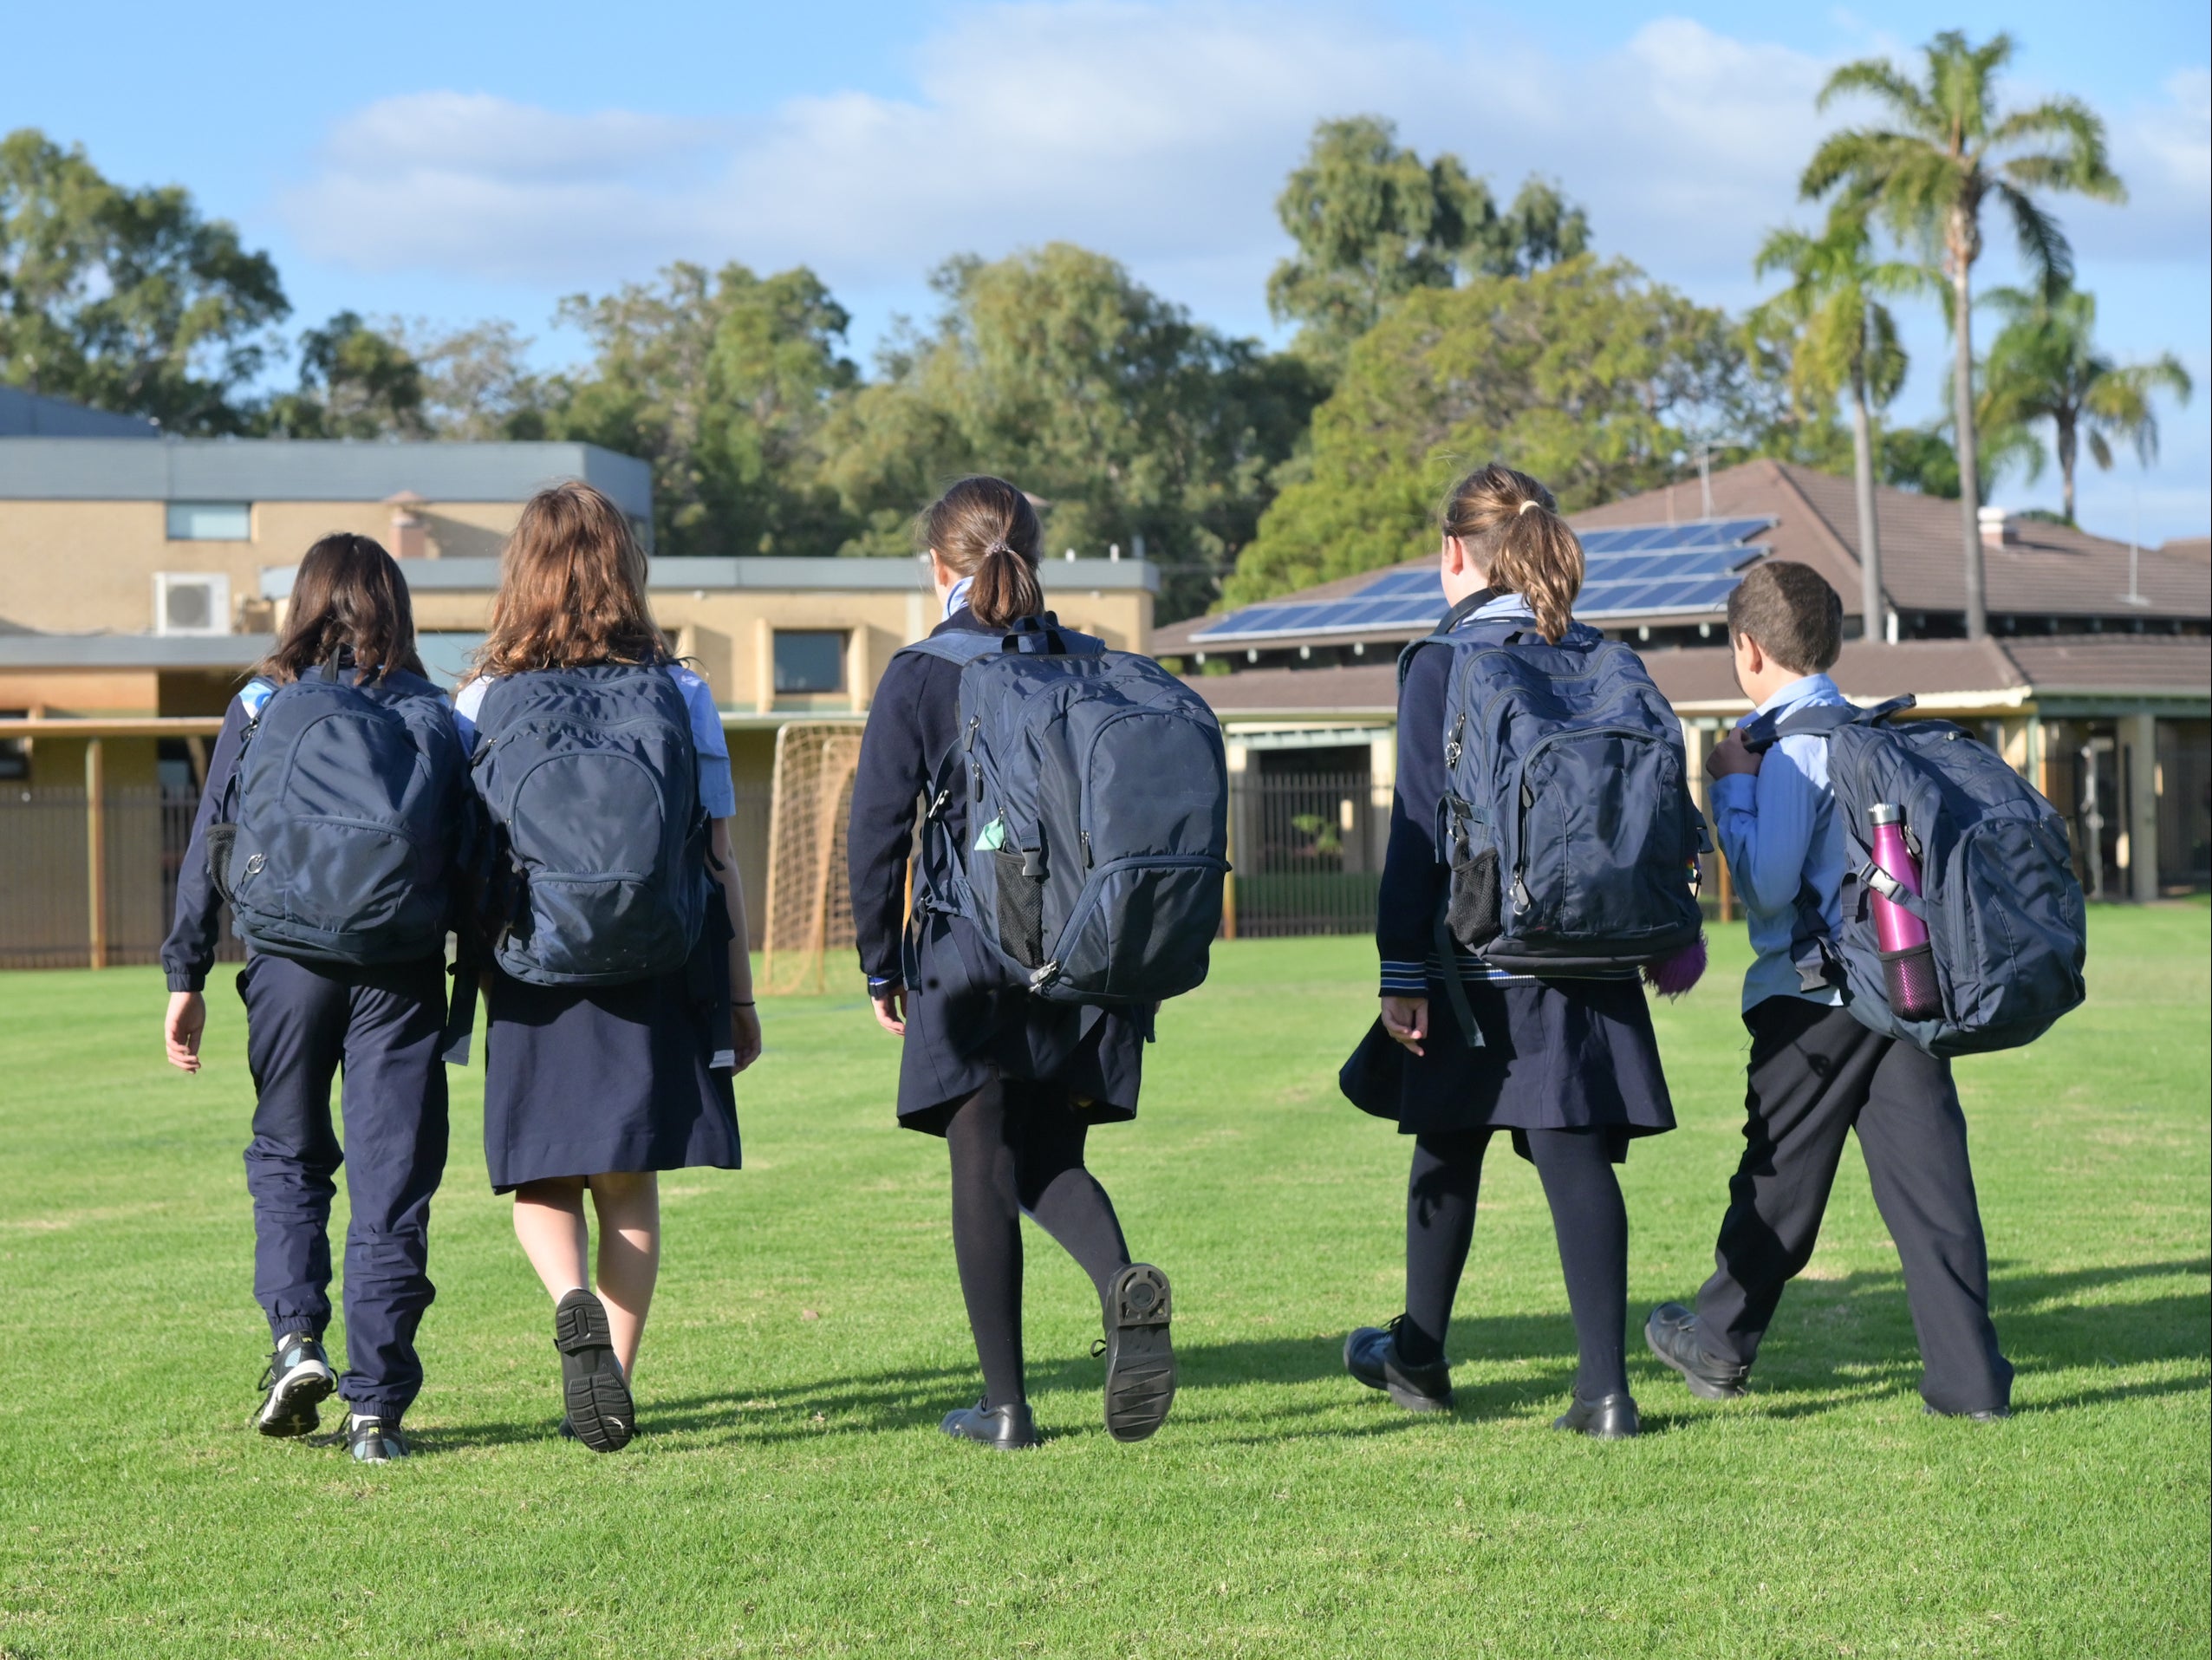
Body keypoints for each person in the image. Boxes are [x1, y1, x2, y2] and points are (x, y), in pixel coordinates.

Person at [1338, 464, 1679, 1440]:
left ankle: (1419, 1355)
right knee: (1573, 1157)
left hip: (1476, 953)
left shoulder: (1441, 662)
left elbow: (1414, 830)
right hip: (1594, 951)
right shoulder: (1603, 653)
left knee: (1447, 1142)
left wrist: (1400, 972)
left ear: (1452, 551)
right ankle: (1605, 1392)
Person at [846, 475, 1174, 1452]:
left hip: (968, 950)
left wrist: (878, 962)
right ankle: (1120, 1285)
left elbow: (875, 832)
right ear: (1035, 552)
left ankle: (1004, 1408)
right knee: (1049, 1155)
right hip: (1080, 956)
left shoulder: (920, 671)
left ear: (937, 566)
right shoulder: (1092, 662)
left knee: (981, 1165)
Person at [1643, 562, 2014, 1419]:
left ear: (1745, 648)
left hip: (1810, 998)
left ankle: (1717, 1343)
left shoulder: (1790, 746)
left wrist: (1729, 789)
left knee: (1776, 1183)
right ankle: (1968, 1382)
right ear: (1831, 641)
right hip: (1900, 984)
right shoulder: (1866, 729)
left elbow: (1770, 886)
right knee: (1931, 1189)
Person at [453, 480, 762, 1452]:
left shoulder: (481, 699)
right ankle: (614, 1376)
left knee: (544, 1175)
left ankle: (568, 1298)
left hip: (533, 963)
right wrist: (740, 993)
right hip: (657, 957)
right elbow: (716, 854)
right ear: (625, 571)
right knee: (629, 1181)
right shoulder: (681, 691)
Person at [161, 533, 459, 1463]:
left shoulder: (260, 701)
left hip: (285, 959)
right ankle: (375, 1410)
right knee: (390, 1183)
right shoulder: (434, 710)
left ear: (303, 603)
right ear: (396, 607)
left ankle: (296, 1341)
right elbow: (471, 852)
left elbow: (211, 839)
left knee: (289, 1155)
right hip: (401, 969)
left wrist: (186, 974)